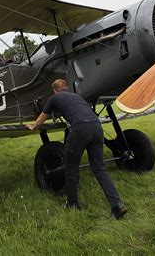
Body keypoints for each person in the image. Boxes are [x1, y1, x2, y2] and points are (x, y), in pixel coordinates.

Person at [26, 79, 127, 219]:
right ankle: (117, 205)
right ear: (66, 88)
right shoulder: (77, 96)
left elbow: (43, 115)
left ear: (54, 90)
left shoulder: (54, 98)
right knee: (99, 168)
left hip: (80, 128)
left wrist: (33, 126)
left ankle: (72, 203)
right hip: (97, 128)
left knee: (71, 167)